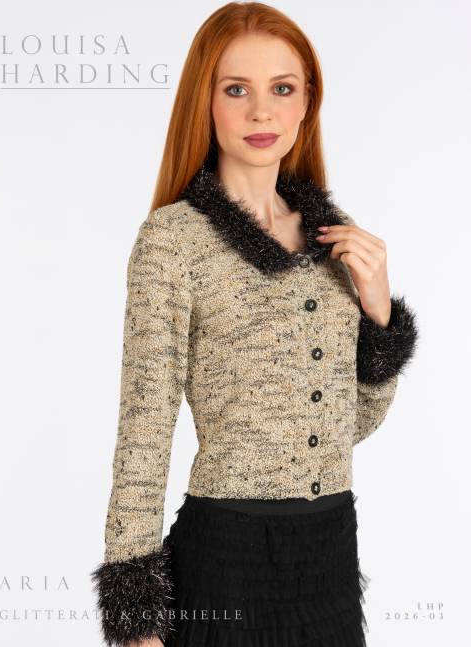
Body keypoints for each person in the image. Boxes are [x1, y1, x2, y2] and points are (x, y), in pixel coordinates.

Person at [90, 3, 419, 646]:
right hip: (226, 562)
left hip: (329, 558)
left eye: (283, 89)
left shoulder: (336, 239)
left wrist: (380, 314)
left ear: (307, 103)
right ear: (205, 102)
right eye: (237, 89)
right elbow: (144, 432)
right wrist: (136, 621)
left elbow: (352, 425)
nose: (262, 112)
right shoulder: (173, 240)